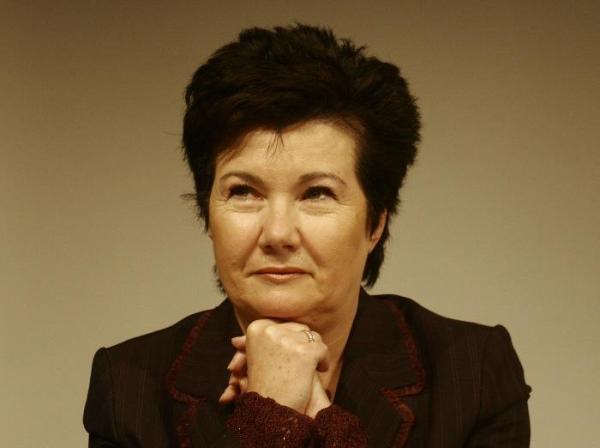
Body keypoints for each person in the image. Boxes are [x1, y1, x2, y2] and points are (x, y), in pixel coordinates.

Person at [83, 24, 531, 447]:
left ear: (376, 223)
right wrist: (271, 413)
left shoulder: (472, 373)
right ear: (206, 212)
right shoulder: (128, 386)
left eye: (317, 193)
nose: (278, 234)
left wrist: (313, 421)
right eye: (243, 192)